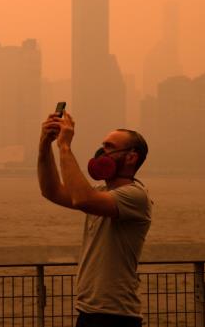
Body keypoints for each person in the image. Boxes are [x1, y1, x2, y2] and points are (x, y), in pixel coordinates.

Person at [37, 110, 152, 327]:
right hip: (89, 311)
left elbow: (81, 198)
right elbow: (51, 190)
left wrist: (64, 146)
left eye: (109, 147)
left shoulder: (135, 196)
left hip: (116, 316)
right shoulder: (101, 193)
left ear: (131, 157)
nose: (101, 153)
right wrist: (45, 144)